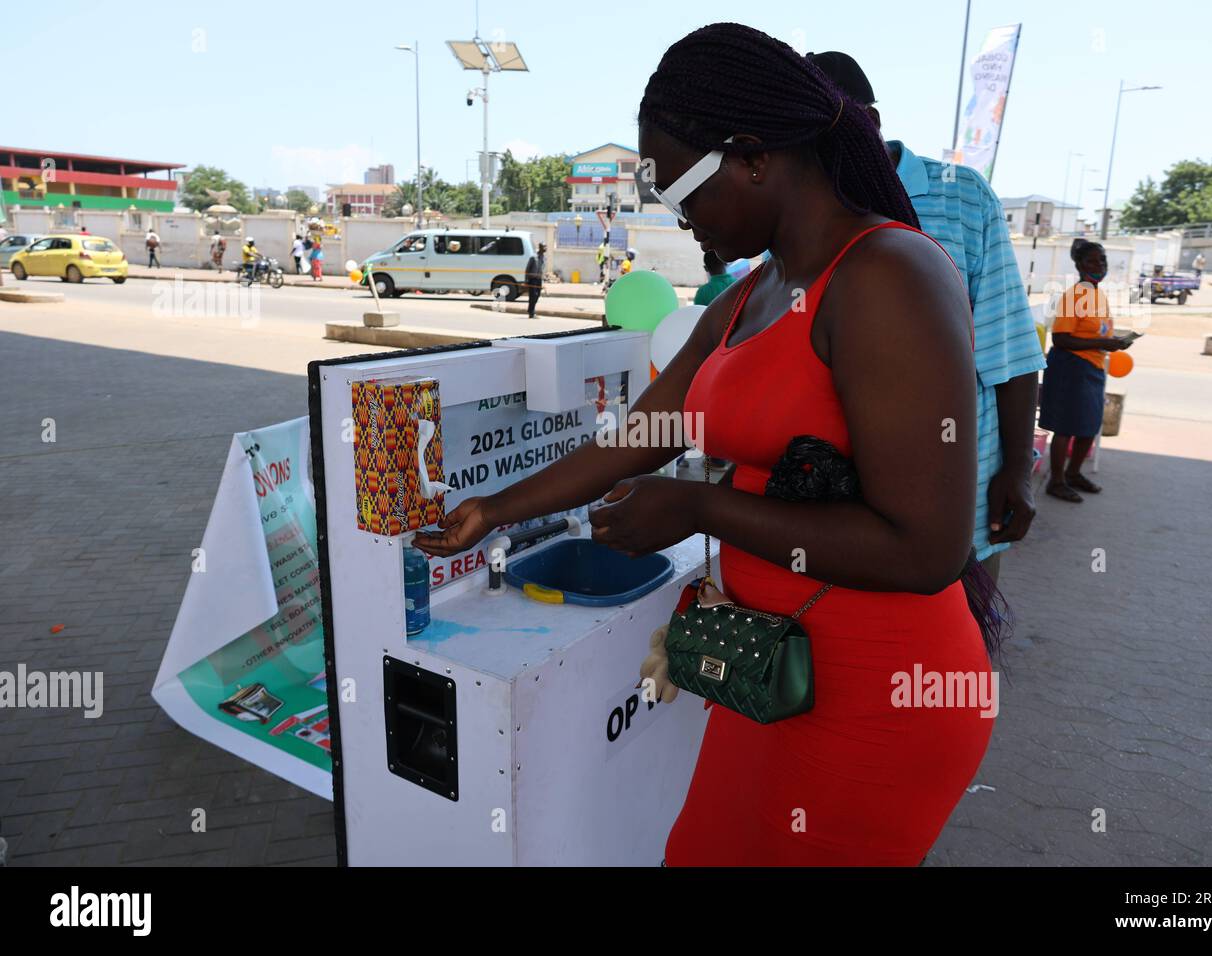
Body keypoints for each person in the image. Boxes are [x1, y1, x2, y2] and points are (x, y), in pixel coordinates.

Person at [413, 22, 995, 867]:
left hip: (880, 693)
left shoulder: (889, 277)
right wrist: (495, 509)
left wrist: (697, 507)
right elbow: (645, 433)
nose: (676, 219)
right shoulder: (754, 291)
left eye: (680, 189)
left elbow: (929, 549)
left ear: (754, 157)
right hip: (774, 673)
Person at [809, 50, 1045, 583]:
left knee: (954, 652)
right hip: (834, 508)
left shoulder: (960, 196)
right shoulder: (800, 210)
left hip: (960, 502)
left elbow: (1008, 343)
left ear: (870, 121)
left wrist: (1016, 469)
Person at [1038, 239, 1133, 501]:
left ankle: (1074, 473)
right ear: (1079, 265)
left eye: (1102, 261)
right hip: (1071, 367)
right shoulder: (1075, 295)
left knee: (1088, 426)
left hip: (1093, 366)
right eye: (1092, 261)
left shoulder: (1096, 294)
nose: (1099, 265)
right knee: (1066, 427)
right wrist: (1104, 343)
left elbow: (1097, 329)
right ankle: (1055, 481)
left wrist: (1114, 342)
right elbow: (1061, 339)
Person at [524, 241, 547, 318]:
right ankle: (531, 312)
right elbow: (527, 270)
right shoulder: (533, 257)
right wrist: (526, 280)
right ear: (540, 248)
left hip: (539, 280)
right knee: (533, 296)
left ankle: (530, 310)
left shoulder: (544, 258)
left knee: (537, 296)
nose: (545, 248)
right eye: (544, 247)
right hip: (532, 280)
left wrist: (543, 281)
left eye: (545, 247)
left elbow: (543, 270)